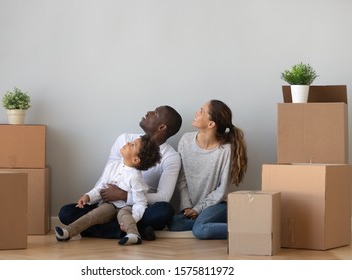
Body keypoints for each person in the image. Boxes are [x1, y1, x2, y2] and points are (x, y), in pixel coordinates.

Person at [58, 105, 182, 240]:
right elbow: (106, 177)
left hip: (138, 207)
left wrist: (124, 196)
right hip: (107, 203)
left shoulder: (171, 157)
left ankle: (104, 229)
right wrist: (92, 196)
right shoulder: (125, 140)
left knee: (165, 210)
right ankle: (135, 230)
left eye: (155, 113)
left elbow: (163, 197)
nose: (149, 112)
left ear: (162, 127)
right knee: (66, 213)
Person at [55, 135, 161, 245]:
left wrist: (134, 218)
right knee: (93, 215)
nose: (128, 143)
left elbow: (140, 202)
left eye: (133, 145)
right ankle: (68, 232)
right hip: (109, 205)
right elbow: (101, 187)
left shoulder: (135, 177)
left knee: (124, 216)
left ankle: (134, 235)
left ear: (135, 159)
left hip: (126, 207)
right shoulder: (112, 166)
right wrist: (88, 196)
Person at [168, 100, 247, 239]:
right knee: (174, 224)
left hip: (216, 205)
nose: (196, 113)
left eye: (202, 111)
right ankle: (212, 223)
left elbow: (222, 190)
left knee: (200, 230)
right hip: (191, 207)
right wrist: (187, 206)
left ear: (211, 124)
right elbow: (182, 178)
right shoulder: (185, 140)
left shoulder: (226, 150)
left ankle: (251, 230)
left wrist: (198, 209)